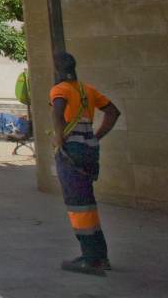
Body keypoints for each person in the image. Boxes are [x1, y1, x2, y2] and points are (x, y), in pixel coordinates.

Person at [50, 51, 121, 276]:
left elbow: (58, 112)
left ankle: (91, 258)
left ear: (58, 69)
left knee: (78, 205)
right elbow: (113, 112)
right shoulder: (86, 90)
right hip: (90, 150)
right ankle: (100, 255)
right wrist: (96, 136)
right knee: (87, 203)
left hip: (72, 152)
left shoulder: (59, 90)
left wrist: (60, 138)